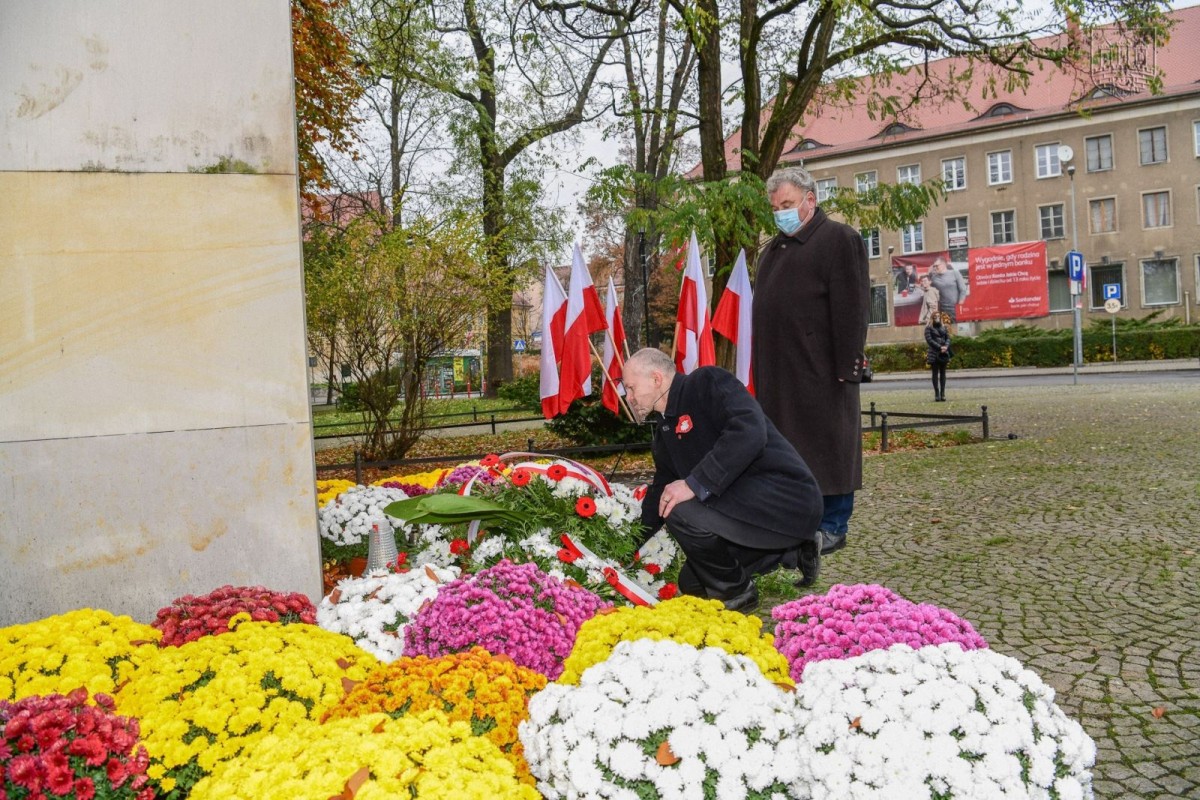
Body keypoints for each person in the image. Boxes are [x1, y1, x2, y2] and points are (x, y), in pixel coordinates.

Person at [625, 348, 824, 612]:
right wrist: (626, 547)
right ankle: (793, 551)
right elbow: (659, 492)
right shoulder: (664, 432)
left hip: (785, 498)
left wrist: (693, 484)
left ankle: (739, 593)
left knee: (679, 508)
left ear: (656, 379)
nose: (628, 398)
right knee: (693, 584)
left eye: (631, 388)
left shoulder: (707, 382)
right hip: (744, 509)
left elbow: (750, 431)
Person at [752, 166, 870, 558]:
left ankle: (834, 525)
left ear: (810, 200)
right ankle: (798, 522)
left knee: (830, 447)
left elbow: (853, 308)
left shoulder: (838, 239)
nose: (780, 213)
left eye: (787, 204)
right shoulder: (773, 249)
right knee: (791, 451)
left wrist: (847, 368)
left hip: (823, 370)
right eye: (775, 208)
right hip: (781, 372)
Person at [928, 256, 969, 324]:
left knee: (960, 329)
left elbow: (963, 290)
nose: (935, 268)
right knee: (948, 330)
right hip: (943, 309)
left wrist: (960, 305)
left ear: (943, 264)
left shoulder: (955, 273)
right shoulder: (934, 278)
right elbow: (928, 288)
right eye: (934, 266)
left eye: (936, 266)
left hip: (955, 308)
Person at [925, 311, 952, 401]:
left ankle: (943, 393)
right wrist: (940, 347)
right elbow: (929, 340)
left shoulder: (944, 327)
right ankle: (937, 393)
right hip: (934, 353)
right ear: (932, 318)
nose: (937, 318)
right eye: (935, 316)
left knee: (943, 373)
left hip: (944, 353)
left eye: (938, 316)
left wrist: (946, 347)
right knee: (935, 373)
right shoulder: (928, 328)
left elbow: (948, 338)